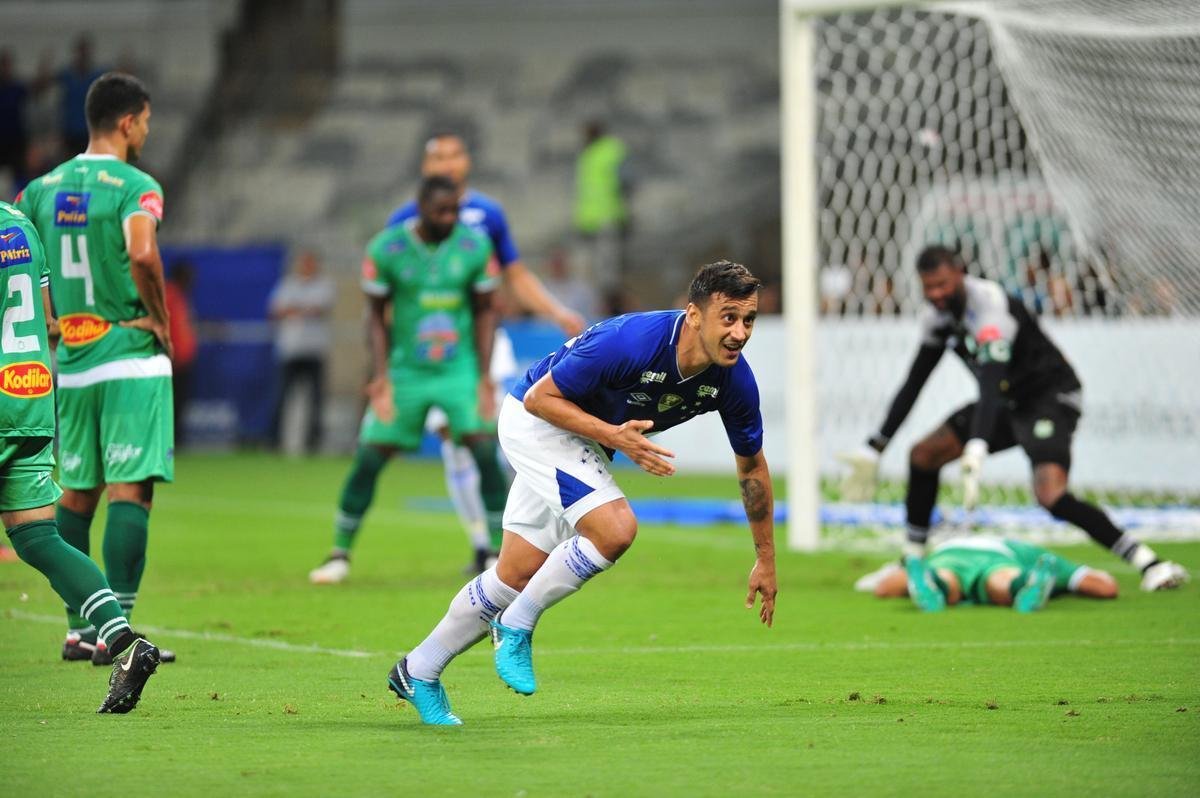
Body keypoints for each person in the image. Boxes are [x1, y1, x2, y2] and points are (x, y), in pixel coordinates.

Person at [387, 260, 778, 726]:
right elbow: (540, 400)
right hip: (537, 420)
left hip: (583, 436)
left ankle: (417, 670)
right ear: (694, 315)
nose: (739, 332)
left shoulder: (733, 381)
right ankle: (516, 624)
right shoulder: (632, 341)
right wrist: (615, 437)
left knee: (514, 573)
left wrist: (765, 557)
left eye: (748, 319)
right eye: (728, 317)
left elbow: (751, 467)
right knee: (615, 529)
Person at [842, 245, 1188, 593]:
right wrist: (876, 445)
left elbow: (991, 380)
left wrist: (976, 445)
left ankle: (1149, 563)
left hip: (1049, 396)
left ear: (959, 274)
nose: (937, 294)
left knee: (1051, 494)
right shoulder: (938, 318)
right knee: (923, 454)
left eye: (943, 285)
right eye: (929, 288)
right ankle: (912, 562)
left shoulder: (991, 307)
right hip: (1007, 402)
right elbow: (914, 382)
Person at [16, 72, 178, 664]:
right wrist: (159, 318)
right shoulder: (137, 185)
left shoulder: (38, 190)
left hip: (72, 360)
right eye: (146, 123)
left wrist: (52, 319)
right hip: (129, 355)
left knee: (78, 494)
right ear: (131, 120)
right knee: (130, 490)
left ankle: (78, 627)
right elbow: (141, 251)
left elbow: (20, 263)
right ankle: (122, 630)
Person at [386, 132, 586, 572]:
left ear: (467, 162)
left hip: (485, 344)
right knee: (456, 443)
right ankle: (484, 544)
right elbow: (389, 289)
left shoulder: (487, 214)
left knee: (507, 439)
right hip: (434, 352)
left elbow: (514, 274)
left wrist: (555, 311)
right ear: (425, 166)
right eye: (436, 155)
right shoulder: (403, 220)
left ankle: (529, 530)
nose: (445, 162)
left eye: (452, 154)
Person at [0, 198, 161, 712]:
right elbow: (45, 316)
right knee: (35, 536)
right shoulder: (19, 224)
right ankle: (125, 643)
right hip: (28, 390)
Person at [308, 175, 507, 584]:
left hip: (458, 368)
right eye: (441, 211)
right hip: (406, 370)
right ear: (420, 207)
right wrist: (380, 376)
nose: (449, 218)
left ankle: (495, 551)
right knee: (369, 457)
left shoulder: (474, 246)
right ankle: (339, 553)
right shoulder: (387, 248)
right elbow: (376, 318)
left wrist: (484, 376)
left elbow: (486, 310)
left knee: (485, 450)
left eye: (454, 210)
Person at [873, 535, 1118, 613]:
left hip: (946, 557)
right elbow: (1105, 588)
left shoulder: (942, 547)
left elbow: (882, 589)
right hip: (997, 558)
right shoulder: (1021, 547)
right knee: (1001, 579)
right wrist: (1064, 587)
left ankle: (933, 583)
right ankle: (1024, 584)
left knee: (946, 577)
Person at [268, 249, 335, 455]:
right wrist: (302, 310)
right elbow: (276, 310)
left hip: (314, 351)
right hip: (290, 350)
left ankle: (312, 442)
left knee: (315, 400)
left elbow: (320, 309)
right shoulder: (288, 284)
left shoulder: (324, 285)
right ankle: (273, 441)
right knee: (282, 397)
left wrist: (296, 309)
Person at [573, 119, 630, 308]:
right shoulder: (587, 154)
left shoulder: (612, 151)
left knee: (609, 268)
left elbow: (626, 181)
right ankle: (599, 304)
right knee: (595, 269)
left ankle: (611, 305)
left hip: (608, 217)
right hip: (590, 220)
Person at [165, 261, 198, 446]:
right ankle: (167, 440)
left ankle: (175, 439)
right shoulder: (169, 294)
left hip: (183, 359)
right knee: (170, 403)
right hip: (171, 359)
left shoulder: (181, 296)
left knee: (179, 404)